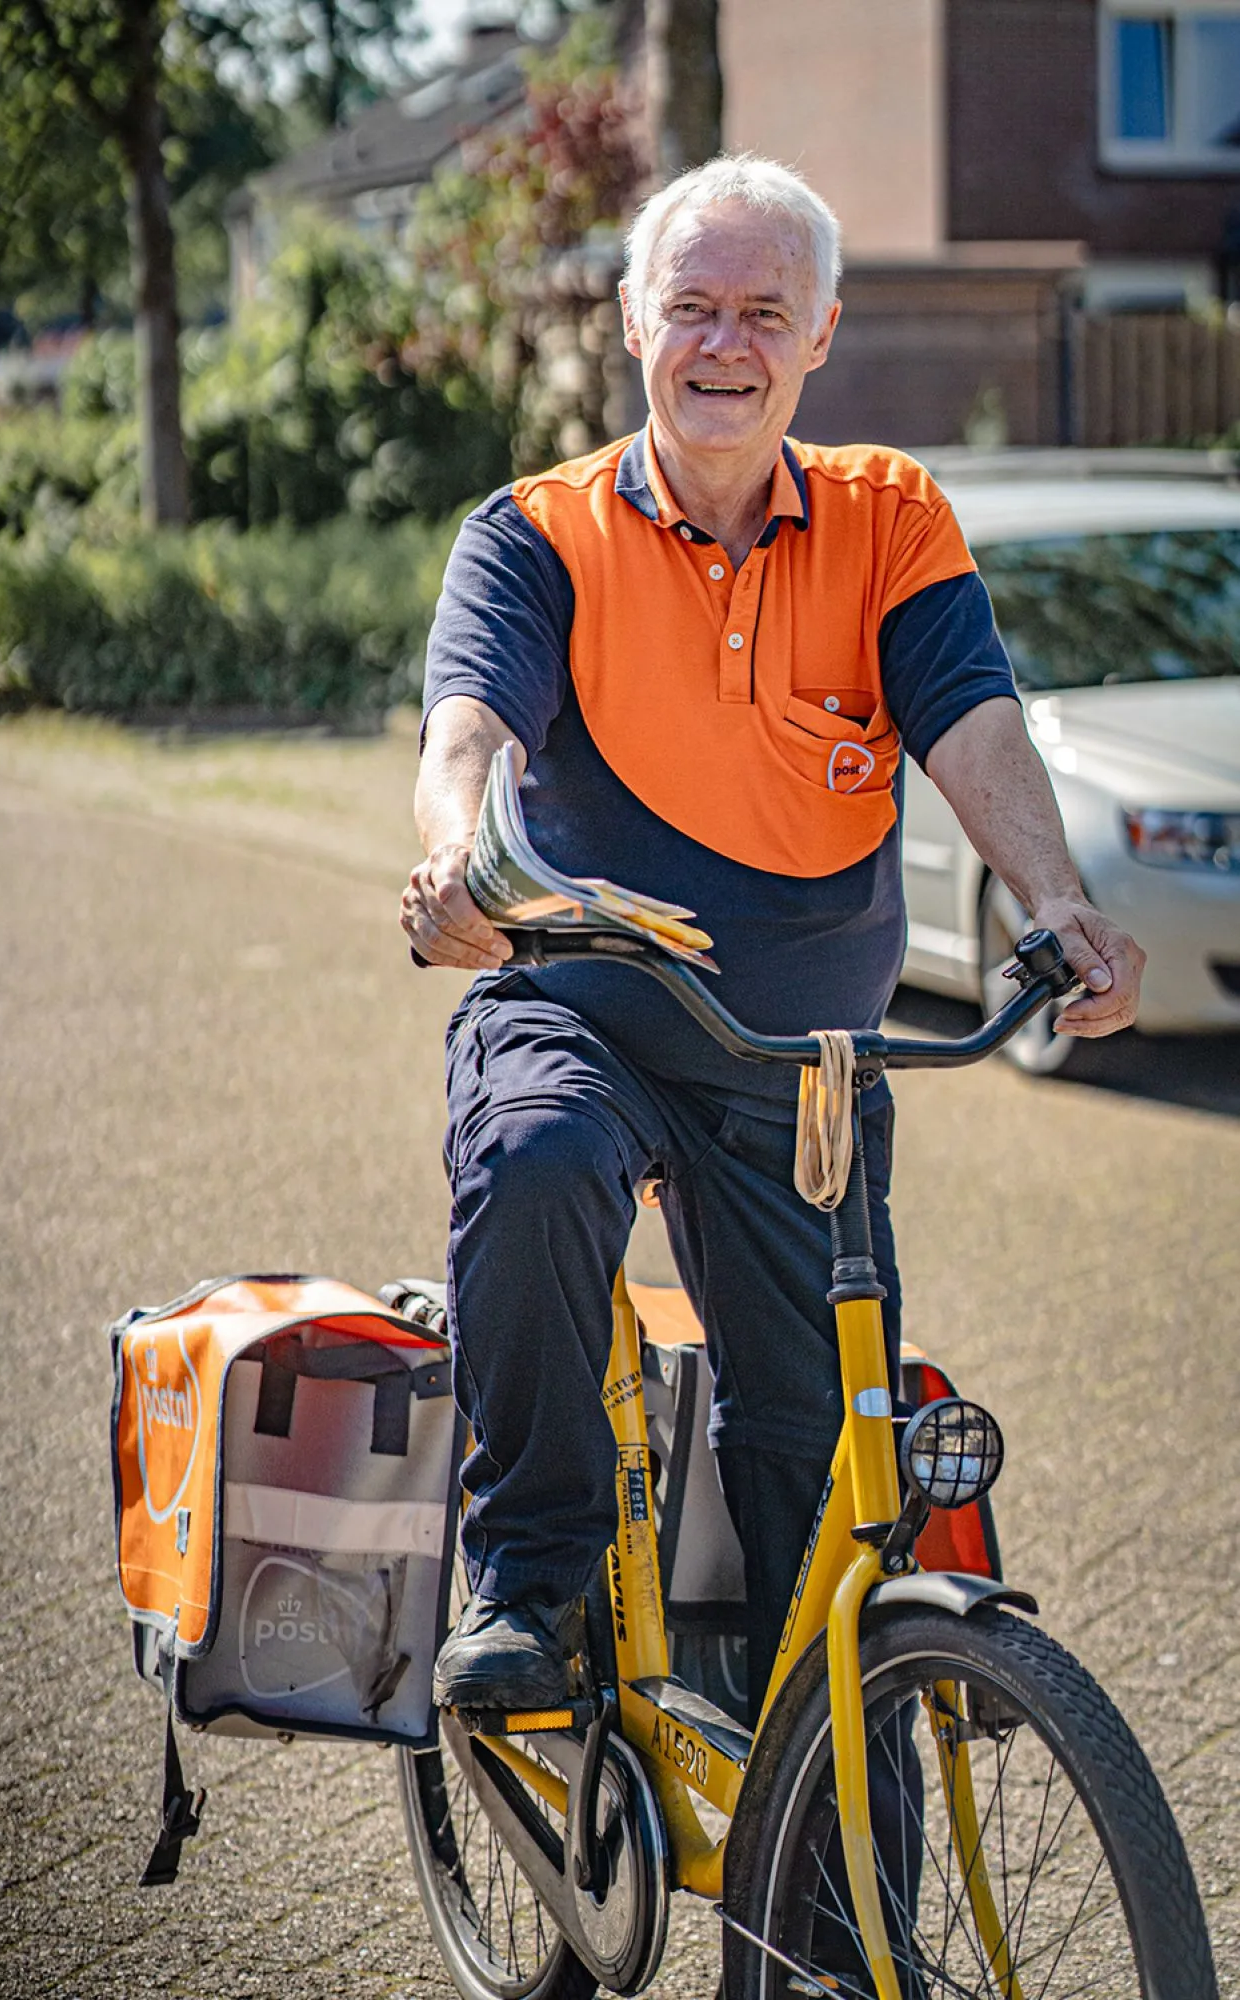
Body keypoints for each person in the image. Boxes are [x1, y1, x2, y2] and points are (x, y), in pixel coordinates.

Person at [400, 155, 1144, 1727]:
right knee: (533, 1164)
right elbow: (464, 730)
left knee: (822, 1479)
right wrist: (458, 860)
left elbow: (974, 727)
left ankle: (823, 1890)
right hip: (580, 1012)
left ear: (820, 336)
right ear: (630, 324)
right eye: (691, 306)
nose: (723, 343)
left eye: (762, 312)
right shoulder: (536, 534)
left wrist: (1055, 902)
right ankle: (526, 1578)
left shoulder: (891, 518)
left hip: (802, 1072)